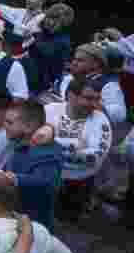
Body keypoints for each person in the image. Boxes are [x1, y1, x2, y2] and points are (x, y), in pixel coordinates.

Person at [44, 75, 112, 220]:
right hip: (44, 176)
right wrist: (75, 145)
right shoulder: (49, 111)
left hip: (77, 184)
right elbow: (30, 141)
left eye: (97, 99)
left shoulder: (101, 120)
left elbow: (94, 157)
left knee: (69, 225)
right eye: (88, 98)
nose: (94, 104)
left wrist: (51, 144)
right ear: (70, 95)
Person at [1, 99, 64, 231]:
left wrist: (13, 178)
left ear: (29, 127)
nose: (4, 125)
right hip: (17, 220)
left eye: (9, 122)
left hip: (34, 226)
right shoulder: (20, 143)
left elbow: (47, 181)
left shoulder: (48, 152)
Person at [57, 42, 127, 125]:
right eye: (74, 59)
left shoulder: (109, 85)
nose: (74, 63)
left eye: (80, 60)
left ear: (95, 63)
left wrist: (94, 105)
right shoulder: (69, 78)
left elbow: (120, 114)